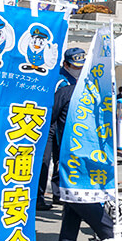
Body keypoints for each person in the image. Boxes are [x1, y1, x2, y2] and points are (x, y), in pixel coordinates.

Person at [51, 65, 114, 241]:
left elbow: (49, 117)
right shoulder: (101, 94)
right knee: (75, 193)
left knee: (75, 195)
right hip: (96, 150)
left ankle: (108, 232)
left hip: (71, 151)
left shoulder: (66, 92)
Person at [37, 48, 86, 210]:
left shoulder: (79, 79)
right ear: (65, 64)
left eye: (80, 66)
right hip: (51, 122)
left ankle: (59, 194)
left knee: (61, 158)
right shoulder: (59, 79)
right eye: (75, 66)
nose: (78, 70)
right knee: (45, 160)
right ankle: (38, 196)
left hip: (65, 123)